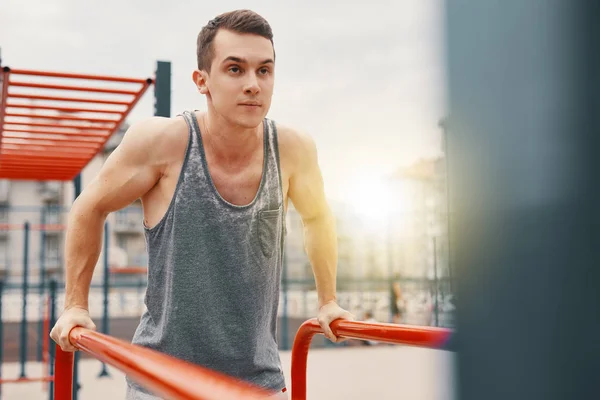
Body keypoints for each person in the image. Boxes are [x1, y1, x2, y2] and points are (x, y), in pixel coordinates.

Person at [49, 9, 354, 400]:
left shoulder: (292, 149)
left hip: (256, 384)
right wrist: (75, 304)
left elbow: (318, 218)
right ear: (202, 81)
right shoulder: (164, 142)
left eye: (264, 70)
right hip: (161, 381)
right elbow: (88, 207)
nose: (253, 85)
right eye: (234, 69)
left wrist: (328, 301)